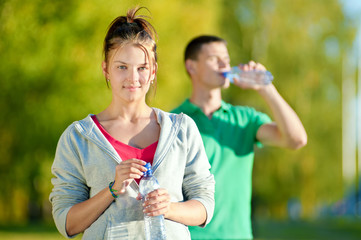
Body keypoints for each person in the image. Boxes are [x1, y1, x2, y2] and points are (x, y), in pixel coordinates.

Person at [49, 8, 215, 240]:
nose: (133, 78)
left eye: (142, 68)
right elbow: (66, 221)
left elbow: (205, 205)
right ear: (105, 69)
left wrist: (169, 208)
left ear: (154, 71)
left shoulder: (182, 130)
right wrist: (112, 189)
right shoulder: (78, 137)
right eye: (122, 67)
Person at [172, 35, 307, 239]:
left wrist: (265, 87)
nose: (224, 63)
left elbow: (296, 139)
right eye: (213, 58)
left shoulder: (245, 119)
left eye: (225, 58)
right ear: (191, 66)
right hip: (189, 235)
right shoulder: (173, 122)